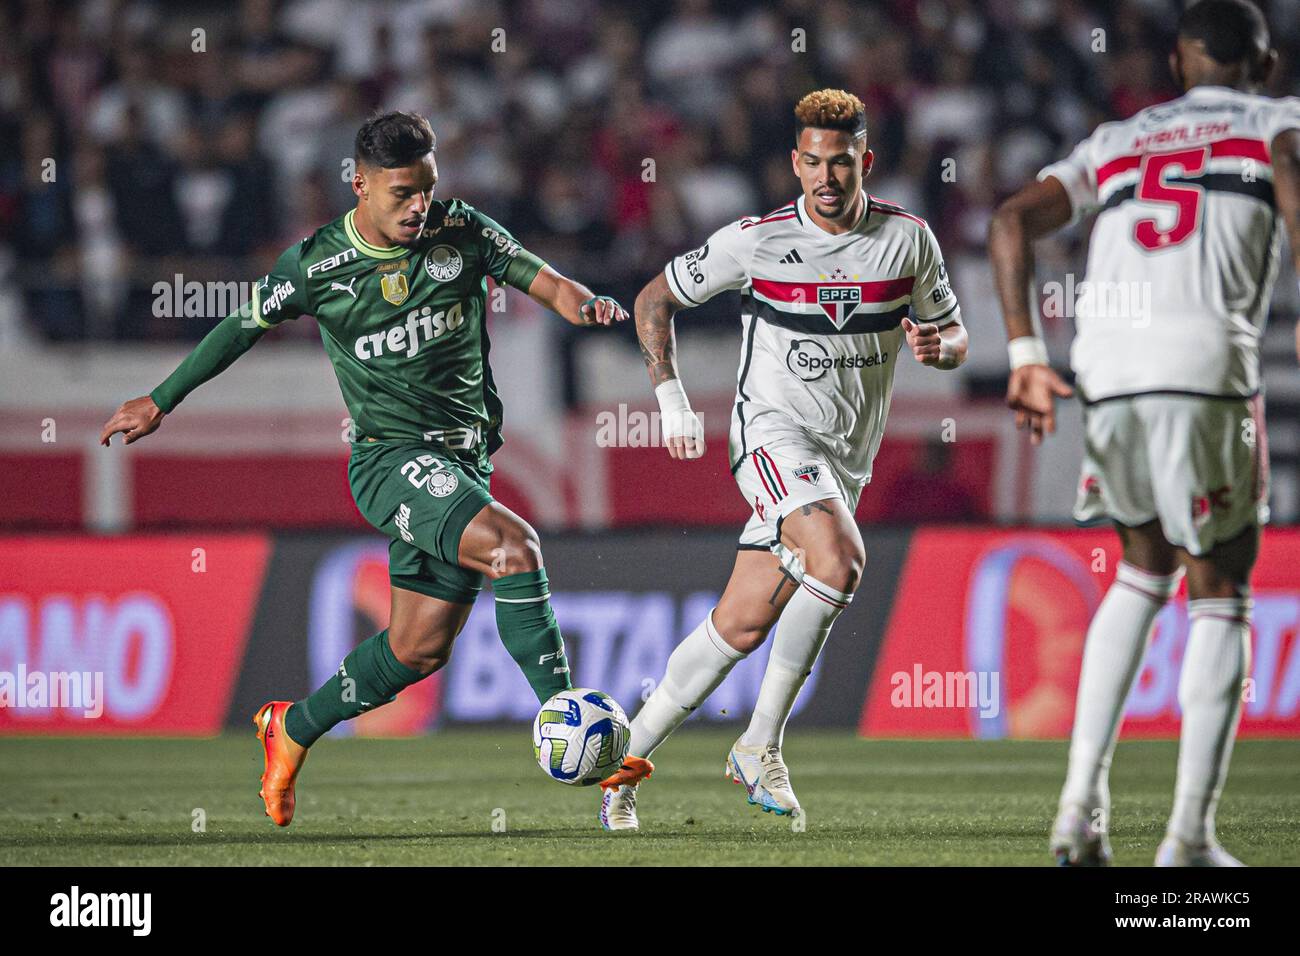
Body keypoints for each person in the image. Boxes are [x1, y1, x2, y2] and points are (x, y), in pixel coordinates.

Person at [99, 111, 628, 827]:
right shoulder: (316, 266)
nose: (419, 207)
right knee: (514, 548)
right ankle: (576, 737)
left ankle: (290, 728)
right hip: (391, 459)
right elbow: (239, 328)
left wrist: (583, 303)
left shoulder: (459, 230)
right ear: (359, 185)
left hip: (464, 461)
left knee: (417, 649)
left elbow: (544, 278)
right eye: (403, 193)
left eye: (428, 189)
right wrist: (162, 399)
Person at [598, 88, 968, 830]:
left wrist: (940, 348)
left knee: (737, 625)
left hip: (842, 465)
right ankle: (760, 743)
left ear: (865, 160)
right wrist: (671, 401)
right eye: (811, 162)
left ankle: (619, 770)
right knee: (837, 561)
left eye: (840, 162)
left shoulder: (908, 241)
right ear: (794, 164)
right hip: (770, 437)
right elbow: (652, 300)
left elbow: (953, 335)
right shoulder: (756, 240)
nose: (825, 176)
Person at [988, 0, 1300, 865]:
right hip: (1204, 368)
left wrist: (1024, 353)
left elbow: (1009, 220)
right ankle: (1189, 840)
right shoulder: (1282, 122)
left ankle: (1078, 812)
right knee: (1222, 587)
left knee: (1140, 569)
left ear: (1178, 63)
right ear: (1265, 65)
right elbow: (1290, 178)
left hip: (1107, 370)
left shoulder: (1119, 140)